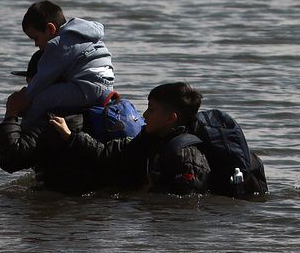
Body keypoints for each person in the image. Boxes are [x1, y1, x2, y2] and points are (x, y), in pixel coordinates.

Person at [49, 82, 211, 196]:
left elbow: (186, 204)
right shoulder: (149, 139)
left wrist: (141, 195)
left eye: (151, 110)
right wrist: (70, 135)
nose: (145, 115)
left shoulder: (187, 156)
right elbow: (108, 154)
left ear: (171, 118)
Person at [18, 0, 115, 126]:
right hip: (107, 85)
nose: (36, 44)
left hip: (88, 87)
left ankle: (24, 130)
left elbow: (43, 79)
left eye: (36, 38)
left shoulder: (59, 44)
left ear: (50, 28)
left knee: (41, 100)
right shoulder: (84, 34)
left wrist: (23, 99)